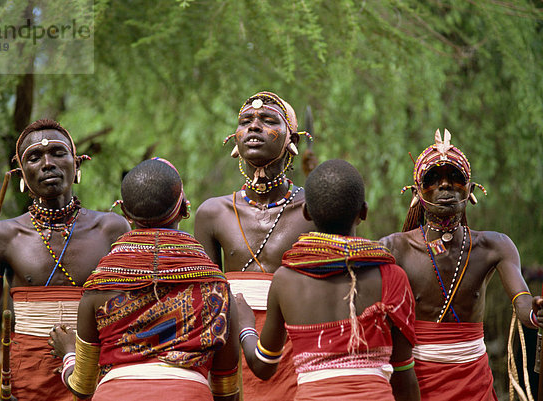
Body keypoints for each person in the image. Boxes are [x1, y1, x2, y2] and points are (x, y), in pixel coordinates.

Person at [49, 158, 240, 400]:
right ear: (183, 208)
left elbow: (82, 386)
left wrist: (68, 353)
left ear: (125, 213)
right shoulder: (214, 284)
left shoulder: (100, 284)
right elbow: (225, 387)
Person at [0, 119, 131, 401]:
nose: (47, 163)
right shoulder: (3, 234)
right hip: (26, 379)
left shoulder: (112, 229)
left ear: (77, 163)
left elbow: (130, 317)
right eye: (34, 157)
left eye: (58, 153)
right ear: (22, 173)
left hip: (97, 374)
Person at [235, 159, 420, 401]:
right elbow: (404, 371)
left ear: (306, 212)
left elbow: (264, 365)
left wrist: (246, 326)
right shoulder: (391, 276)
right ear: (363, 212)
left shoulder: (286, 280)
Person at [380, 129, 543, 401]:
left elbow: (523, 304)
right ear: (417, 191)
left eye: (456, 177)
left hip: (473, 381)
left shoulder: (494, 246)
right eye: (433, 178)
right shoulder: (394, 248)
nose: (445, 185)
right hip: (415, 382)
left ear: (470, 189)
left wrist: (536, 312)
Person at [195, 91, 315, 400]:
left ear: (292, 139)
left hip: (295, 348)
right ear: (235, 139)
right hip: (230, 346)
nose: (254, 127)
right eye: (245, 121)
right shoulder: (213, 213)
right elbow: (206, 298)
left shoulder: (313, 209)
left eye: (268, 120)